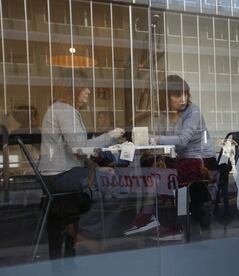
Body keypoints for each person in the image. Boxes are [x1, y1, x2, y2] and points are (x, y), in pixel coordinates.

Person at [38, 71, 125, 259]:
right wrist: (109, 136)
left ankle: (73, 239)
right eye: (85, 88)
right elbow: (80, 148)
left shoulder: (61, 109)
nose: (88, 92)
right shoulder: (64, 110)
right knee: (112, 184)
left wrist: (96, 168)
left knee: (96, 179)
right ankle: (89, 239)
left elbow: (76, 152)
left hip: (55, 175)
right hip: (59, 176)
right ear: (74, 89)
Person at [123, 75, 217, 239]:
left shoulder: (192, 112)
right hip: (186, 159)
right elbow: (164, 139)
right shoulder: (168, 114)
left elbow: (182, 140)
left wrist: (154, 139)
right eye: (177, 95)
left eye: (185, 94)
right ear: (165, 96)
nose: (183, 99)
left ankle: (169, 226)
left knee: (162, 174)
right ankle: (150, 215)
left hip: (203, 161)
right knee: (153, 165)